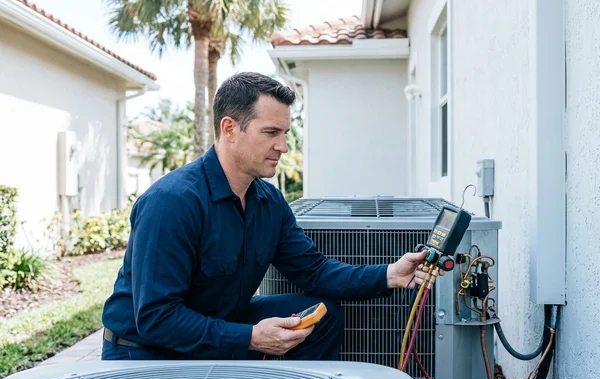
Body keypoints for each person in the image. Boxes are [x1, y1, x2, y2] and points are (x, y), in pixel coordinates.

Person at [101, 72, 435, 362]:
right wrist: (249, 337)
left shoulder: (268, 201)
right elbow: (156, 318)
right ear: (230, 129)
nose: (284, 146)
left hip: (217, 324)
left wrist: (390, 275)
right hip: (145, 350)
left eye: (285, 133)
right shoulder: (172, 203)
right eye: (271, 132)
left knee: (324, 315)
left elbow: (314, 271)